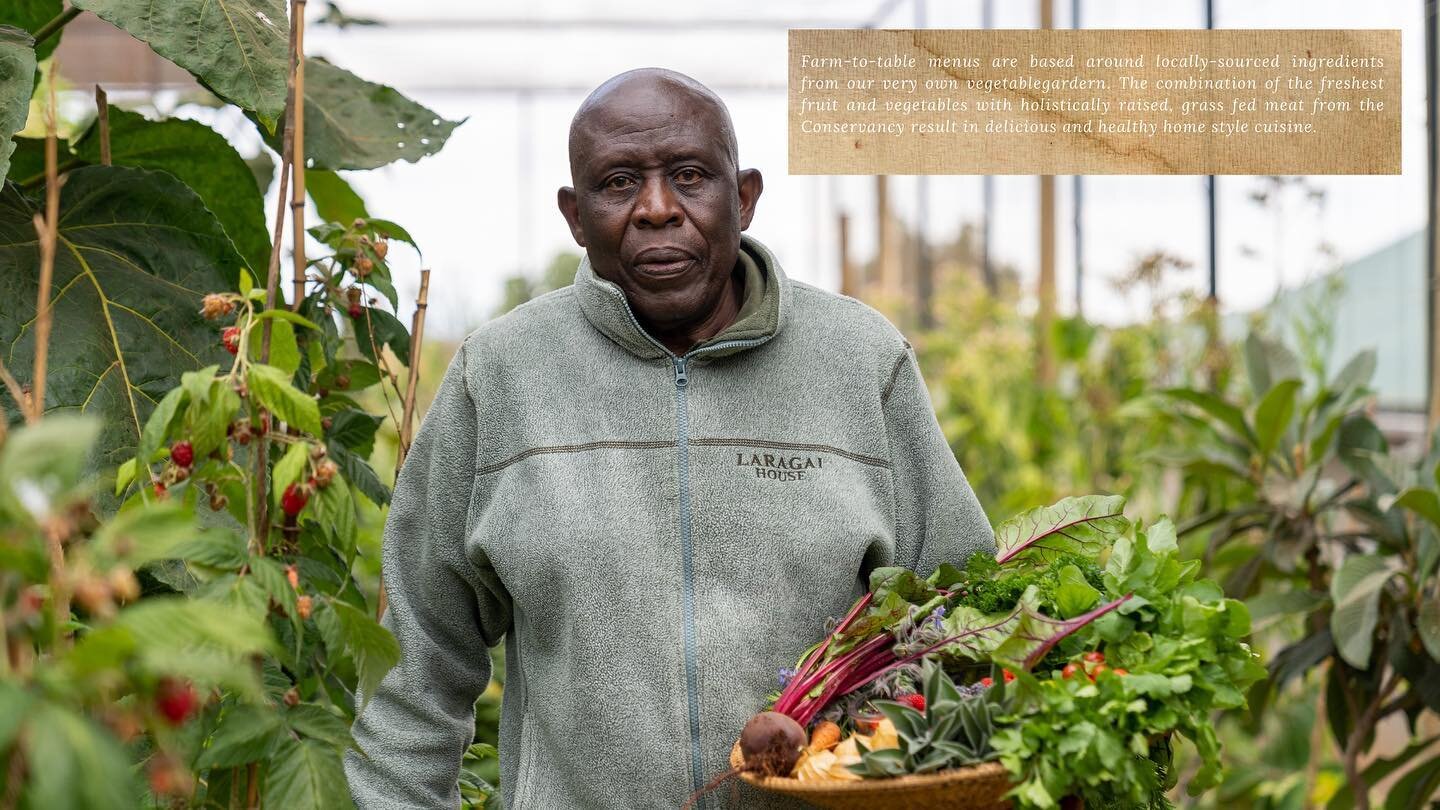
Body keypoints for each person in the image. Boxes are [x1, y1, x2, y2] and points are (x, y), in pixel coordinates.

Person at [343, 67, 995, 810]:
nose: (657, 209)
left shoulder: (858, 363)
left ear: (743, 197)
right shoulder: (503, 377)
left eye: (689, 176)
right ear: (575, 216)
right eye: (618, 183)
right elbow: (417, 665)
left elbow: (962, 622)